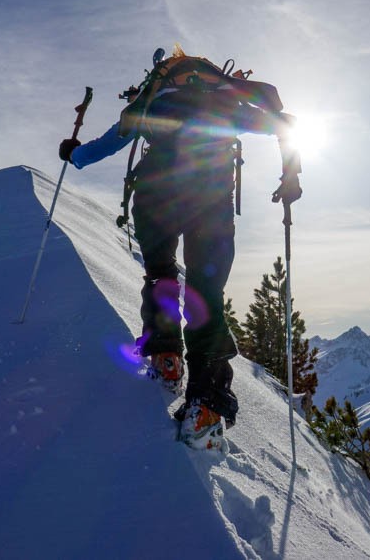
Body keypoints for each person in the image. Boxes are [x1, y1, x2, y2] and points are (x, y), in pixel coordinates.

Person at [58, 46, 302, 449]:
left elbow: (97, 150)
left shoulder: (152, 99)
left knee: (161, 271)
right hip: (210, 196)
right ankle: (205, 403)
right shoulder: (225, 101)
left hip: (155, 194)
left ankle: (166, 356)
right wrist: (291, 176)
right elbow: (284, 126)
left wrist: (73, 153)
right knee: (207, 292)